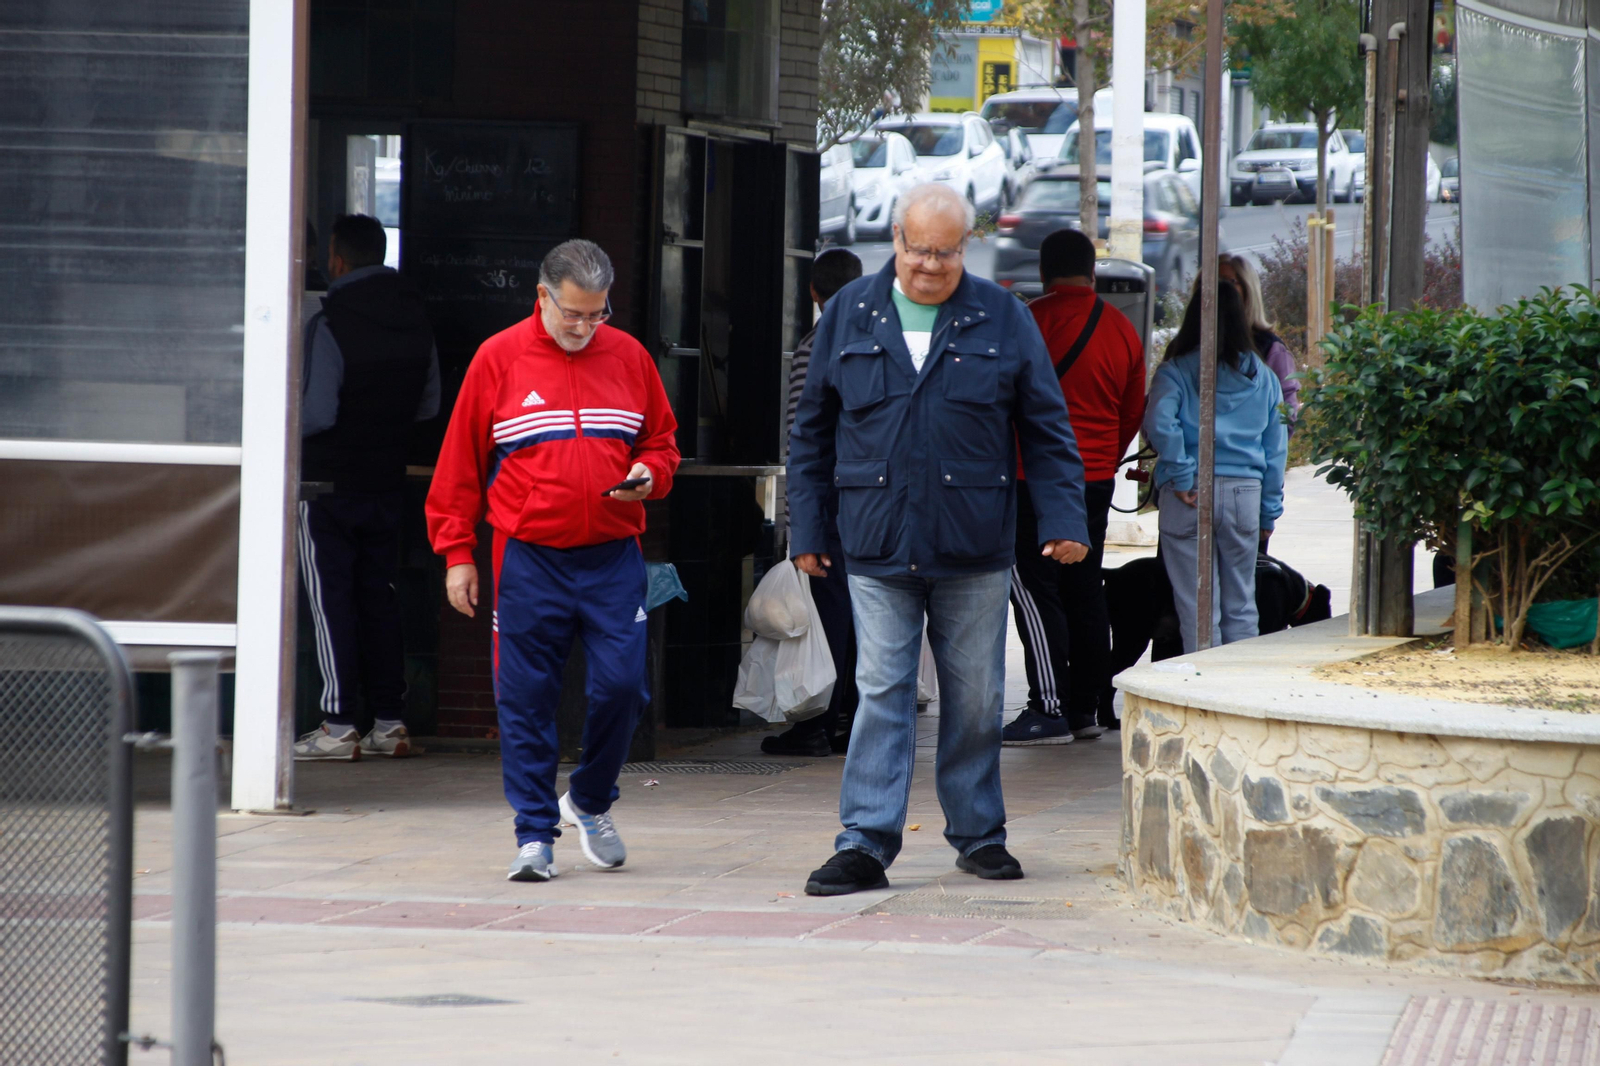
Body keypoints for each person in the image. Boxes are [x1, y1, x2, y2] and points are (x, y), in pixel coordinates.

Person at [788, 183, 1089, 896]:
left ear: (966, 247)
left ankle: (979, 834)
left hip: (973, 543)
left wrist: (1065, 520)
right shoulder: (850, 314)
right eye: (917, 249)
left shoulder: (1002, 316)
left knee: (976, 698)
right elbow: (810, 433)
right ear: (895, 238)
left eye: (945, 252)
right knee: (882, 691)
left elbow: (1047, 429)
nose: (928, 264)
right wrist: (808, 526)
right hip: (877, 541)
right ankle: (864, 842)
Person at [425, 239, 680, 883]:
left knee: (624, 687)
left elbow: (662, 440)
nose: (584, 327)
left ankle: (589, 801)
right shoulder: (497, 358)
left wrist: (652, 471)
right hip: (526, 558)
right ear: (541, 296)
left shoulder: (629, 357)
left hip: (614, 555)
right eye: (572, 313)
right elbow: (459, 465)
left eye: (597, 315)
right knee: (525, 698)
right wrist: (458, 554)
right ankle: (535, 835)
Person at [293, 214, 440, 762]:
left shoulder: (329, 322)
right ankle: (390, 721)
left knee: (332, 600)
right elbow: (428, 405)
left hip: (328, 483)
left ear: (336, 258)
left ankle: (336, 725)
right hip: (387, 481)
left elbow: (315, 413)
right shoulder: (417, 321)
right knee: (379, 597)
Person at [1003, 228, 1145, 746]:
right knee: (1085, 588)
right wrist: (1104, 456)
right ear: (1093, 271)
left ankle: (1050, 706)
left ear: (1043, 272)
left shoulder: (1029, 321)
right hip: (1094, 478)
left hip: (1029, 477)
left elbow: (1001, 399)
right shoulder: (1122, 329)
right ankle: (1087, 707)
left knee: (1035, 588)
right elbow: (1133, 409)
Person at [1143, 281, 1288, 654]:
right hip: (1245, 494)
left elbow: (1160, 422)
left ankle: (1204, 692)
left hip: (1188, 492)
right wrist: (1269, 511)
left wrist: (1179, 471)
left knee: (1197, 609)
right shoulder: (1266, 380)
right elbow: (1275, 450)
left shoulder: (1175, 371)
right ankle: (1237, 691)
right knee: (1241, 604)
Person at [763, 247, 865, 757]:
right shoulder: (872, 340)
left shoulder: (815, 344)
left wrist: (798, 521)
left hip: (828, 506)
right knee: (858, 612)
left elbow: (802, 440)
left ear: (812, 293)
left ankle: (822, 721)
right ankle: (848, 718)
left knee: (828, 618)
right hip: (867, 501)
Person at [1217, 254, 1300, 429]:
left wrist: (1261, 453)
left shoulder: (1270, 348)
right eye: (1209, 281)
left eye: (1228, 282)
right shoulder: (1187, 346)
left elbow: (1286, 414)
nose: (1217, 289)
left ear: (1248, 289)